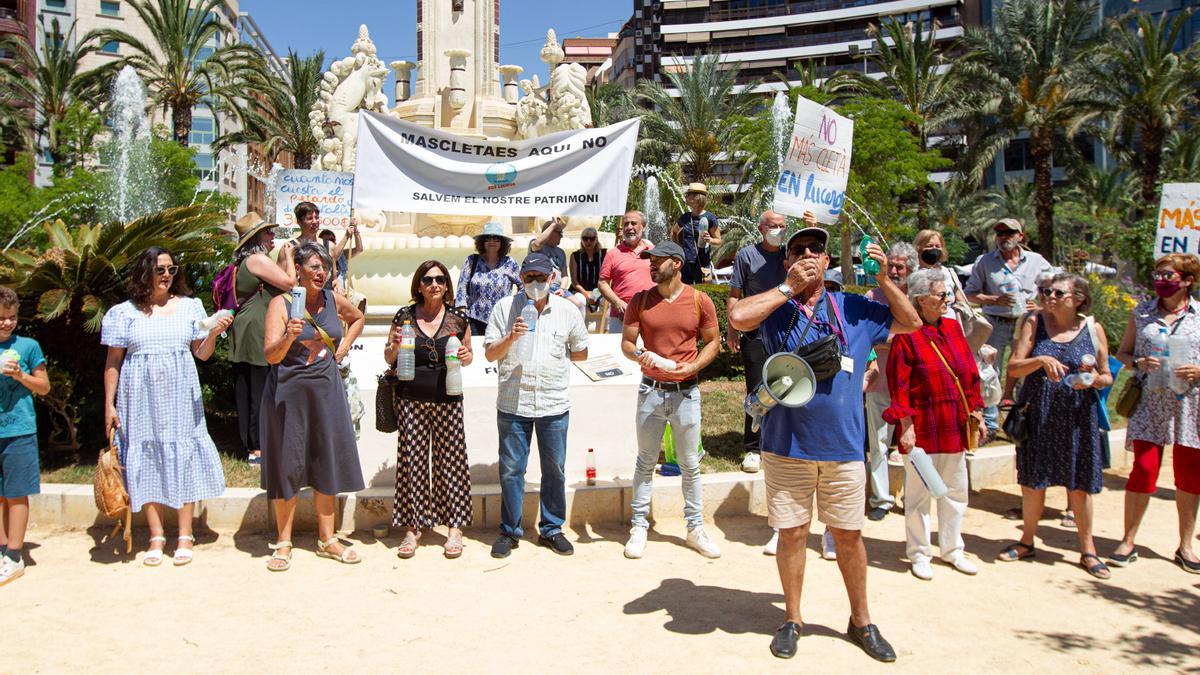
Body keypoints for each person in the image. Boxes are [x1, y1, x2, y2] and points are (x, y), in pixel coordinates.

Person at [728, 224, 919, 662]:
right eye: (798, 249)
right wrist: (786, 285)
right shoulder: (778, 309)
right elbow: (737, 318)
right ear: (788, 260)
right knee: (793, 535)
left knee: (849, 536)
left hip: (844, 446)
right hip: (786, 445)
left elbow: (911, 323)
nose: (808, 253)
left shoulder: (852, 308)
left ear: (828, 261)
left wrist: (884, 279)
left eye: (816, 248)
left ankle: (861, 620)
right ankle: (792, 618)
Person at [101, 247, 231, 567]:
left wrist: (213, 331)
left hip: (180, 395)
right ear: (144, 272)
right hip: (138, 398)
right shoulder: (124, 312)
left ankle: (185, 534)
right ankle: (156, 535)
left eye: (171, 270)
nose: (166, 276)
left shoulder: (190, 307)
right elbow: (113, 361)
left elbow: (201, 353)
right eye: (160, 270)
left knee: (183, 455)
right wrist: (109, 404)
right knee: (146, 457)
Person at [995, 274, 1113, 579]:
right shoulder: (1034, 323)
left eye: (1058, 292)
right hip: (1040, 411)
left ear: (1079, 300)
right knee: (1034, 479)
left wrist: (1092, 381)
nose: (1049, 296)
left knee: (1079, 483)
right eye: (1047, 291)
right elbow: (1014, 366)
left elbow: (1106, 375)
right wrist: (1042, 360)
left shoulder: (1092, 329)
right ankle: (1026, 541)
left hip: (1078, 415)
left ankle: (1088, 549)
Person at [260, 242, 366, 572]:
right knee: (288, 461)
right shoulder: (281, 304)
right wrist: (288, 338)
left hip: (326, 390)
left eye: (324, 268)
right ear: (299, 272)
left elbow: (358, 316)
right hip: (288, 392)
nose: (321, 273)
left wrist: (344, 346)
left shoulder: (334, 300)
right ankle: (284, 541)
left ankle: (327, 538)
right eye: (314, 268)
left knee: (325, 457)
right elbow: (271, 356)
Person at [484, 253, 589, 558]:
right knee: (511, 470)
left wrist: (558, 358)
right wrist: (510, 338)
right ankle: (510, 531)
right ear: (521, 279)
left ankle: (552, 528)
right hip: (513, 404)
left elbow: (581, 351)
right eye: (529, 278)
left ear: (552, 279)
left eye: (540, 278)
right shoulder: (505, 308)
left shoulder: (568, 312)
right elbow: (490, 354)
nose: (534, 283)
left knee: (554, 470)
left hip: (553, 403)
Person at [622, 241, 722, 559]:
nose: (651, 266)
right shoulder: (640, 300)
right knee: (645, 461)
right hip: (650, 391)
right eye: (649, 261)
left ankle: (695, 529)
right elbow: (627, 342)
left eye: (657, 261)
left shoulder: (699, 300)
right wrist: (640, 356)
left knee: (690, 464)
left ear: (676, 264)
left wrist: (693, 366)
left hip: (687, 394)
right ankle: (638, 526)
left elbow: (714, 342)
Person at [883, 269, 985, 580]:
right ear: (920, 299)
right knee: (919, 495)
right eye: (941, 295)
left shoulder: (953, 328)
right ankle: (919, 553)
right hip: (923, 427)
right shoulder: (906, 334)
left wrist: (977, 411)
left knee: (955, 490)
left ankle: (953, 549)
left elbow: (969, 373)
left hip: (953, 422)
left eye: (947, 294)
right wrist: (906, 425)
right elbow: (898, 384)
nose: (947, 300)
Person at [1110, 253, 1200, 573]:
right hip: (1149, 401)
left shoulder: (1199, 316)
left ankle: (1186, 546)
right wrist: (1137, 363)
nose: (1160, 281)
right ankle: (1128, 539)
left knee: (1189, 475)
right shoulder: (1142, 312)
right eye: (1157, 275)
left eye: (1168, 276)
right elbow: (1122, 352)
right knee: (1144, 470)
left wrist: (1198, 371)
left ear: (1187, 280)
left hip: (1190, 404)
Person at [385, 261, 473, 560]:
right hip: (411, 399)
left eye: (439, 279)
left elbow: (469, 355)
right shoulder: (404, 316)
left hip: (448, 397)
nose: (434, 284)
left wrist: (465, 354)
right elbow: (389, 356)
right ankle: (413, 528)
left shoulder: (458, 319)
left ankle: (455, 529)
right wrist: (395, 346)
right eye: (427, 279)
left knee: (452, 464)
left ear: (447, 285)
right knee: (413, 465)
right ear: (418, 286)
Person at [965, 219, 1053, 439]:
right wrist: (994, 299)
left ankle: (1024, 422)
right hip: (995, 322)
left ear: (1020, 236)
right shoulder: (984, 262)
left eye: (1009, 232)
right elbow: (968, 294)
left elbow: (1057, 285)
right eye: (1000, 233)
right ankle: (992, 426)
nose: (1004, 236)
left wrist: (1042, 304)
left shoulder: (1037, 261)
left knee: (1028, 371)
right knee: (989, 372)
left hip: (1028, 324)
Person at [227, 213, 296, 465]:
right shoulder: (256, 259)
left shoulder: (251, 261)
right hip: (255, 329)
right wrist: (288, 257)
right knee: (259, 388)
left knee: (250, 386)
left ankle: (252, 443)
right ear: (256, 238)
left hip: (248, 327)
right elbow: (289, 283)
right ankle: (256, 448)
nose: (273, 236)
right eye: (268, 233)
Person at [727, 211, 789, 476]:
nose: (779, 230)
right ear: (762, 229)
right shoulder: (746, 256)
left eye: (783, 226)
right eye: (774, 226)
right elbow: (734, 295)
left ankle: (783, 442)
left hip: (788, 332)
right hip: (755, 333)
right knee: (756, 390)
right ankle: (753, 448)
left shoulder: (790, 255)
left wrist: (812, 226)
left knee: (787, 387)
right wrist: (731, 330)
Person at [861, 242, 917, 521]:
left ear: (911, 269)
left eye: (900, 266)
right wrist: (895, 339)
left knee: (913, 444)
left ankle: (913, 497)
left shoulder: (918, 297)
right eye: (891, 265)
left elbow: (921, 336)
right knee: (879, 444)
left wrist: (892, 339)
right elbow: (867, 337)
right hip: (880, 383)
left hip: (913, 387)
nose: (894, 271)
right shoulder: (872, 296)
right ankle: (881, 499)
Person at [0, 286, 50, 587]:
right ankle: (2, 549)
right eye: (1, 318)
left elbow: (43, 387)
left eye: (12, 317)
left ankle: (15, 555)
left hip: (19, 431)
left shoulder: (29, 346)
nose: (7, 323)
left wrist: (20, 375)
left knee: (17, 492)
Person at [456, 221, 520, 336]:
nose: (492, 242)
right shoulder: (471, 260)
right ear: (482, 242)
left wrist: (516, 305)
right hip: (474, 320)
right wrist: (462, 313)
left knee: (499, 352)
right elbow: (461, 287)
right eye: (487, 239)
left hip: (502, 319)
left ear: (502, 243)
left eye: (496, 239)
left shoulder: (510, 263)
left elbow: (524, 286)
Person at [598, 210, 654, 334]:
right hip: (621, 315)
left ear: (643, 226)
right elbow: (602, 283)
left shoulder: (653, 251)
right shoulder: (612, 253)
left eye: (633, 223)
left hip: (650, 312)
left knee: (649, 352)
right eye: (626, 224)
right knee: (619, 352)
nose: (629, 227)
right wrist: (617, 303)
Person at [671, 182, 722, 284]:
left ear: (697, 197)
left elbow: (719, 241)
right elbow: (673, 232)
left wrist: (710, 240)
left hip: (702, 263)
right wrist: (677, 249)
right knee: (685, 292)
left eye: (689, 194)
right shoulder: (685, 217)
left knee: (703, 292)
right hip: (685, 262)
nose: (686, 196)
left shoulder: (710, 218)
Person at [569, 226, 606, 311]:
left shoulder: (605, 254)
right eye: (585, 238)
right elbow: (574, 282)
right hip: (580, 291)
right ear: (581, 240)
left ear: (596, 239)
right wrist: (586, 293)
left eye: (592, 238)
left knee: (607, 301)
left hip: (600, 291)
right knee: (580, 301)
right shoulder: (575, 256)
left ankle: (604, 324)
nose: (588, 241)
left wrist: (597, 293)